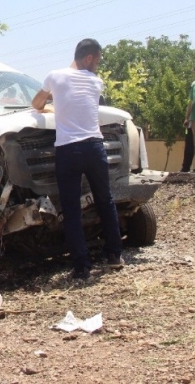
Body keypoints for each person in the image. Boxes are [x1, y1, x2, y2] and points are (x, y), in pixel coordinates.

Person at [31, 38, 123, 280]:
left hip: (68, 150)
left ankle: (82, 267)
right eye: (98, 61)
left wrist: (51, 109)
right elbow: (82, 105)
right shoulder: (96, 82)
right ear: (89, 58)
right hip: (94, 146)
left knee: (72, 210)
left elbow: (36, 104)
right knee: (105, 200)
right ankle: (114, 255)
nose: (98, 67)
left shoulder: (55, 76)